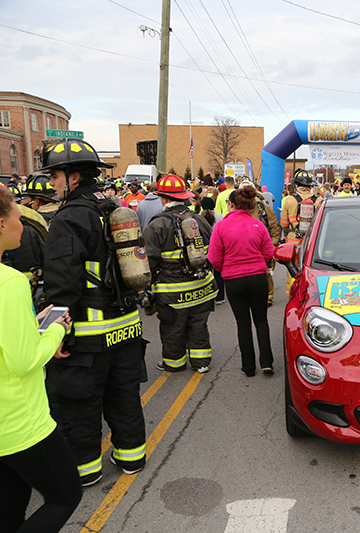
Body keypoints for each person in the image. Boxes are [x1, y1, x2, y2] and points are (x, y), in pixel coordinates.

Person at [41, 138, 147, 487]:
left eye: (55, 176)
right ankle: (132, 457)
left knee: (78, 404)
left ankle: (85, 470)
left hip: (87, 337)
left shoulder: (68, 218)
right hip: (127, 329)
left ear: (73, 177)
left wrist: (56, 333)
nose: (51, 183)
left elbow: (62, 283)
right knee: (124, 396)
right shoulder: (114, 207)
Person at [0, 188, 83, 533]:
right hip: (21, 422)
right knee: (65, 496)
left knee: (8, 510)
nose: (24, 224)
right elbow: (21, 362)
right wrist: (53, 333)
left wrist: (31, 325)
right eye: (20, 217)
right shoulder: (10, 283)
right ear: (1, 224)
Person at [143, 175, 217, 373]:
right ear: (184, 197)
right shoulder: (199, 220)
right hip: (202, 287)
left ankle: (174, 364)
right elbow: (212, 253)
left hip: (172, 292)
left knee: (173, 327)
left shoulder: (156, 226)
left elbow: (147, 262)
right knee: (199, 325)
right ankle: (201, 363)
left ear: (164, 199)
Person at [209, 186, 275, 376]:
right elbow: (269, 252)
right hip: (257, 277)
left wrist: (225, 269)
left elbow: (214, 258)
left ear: (230, 204)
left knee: (243, 323)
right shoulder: (257, 225)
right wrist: (258, 263)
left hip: (234, 280)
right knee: (261, 320)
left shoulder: (221, 226)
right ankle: (267, 361)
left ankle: (248, 367)